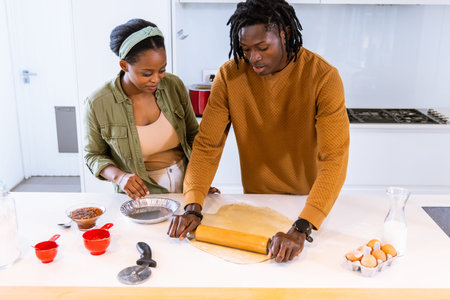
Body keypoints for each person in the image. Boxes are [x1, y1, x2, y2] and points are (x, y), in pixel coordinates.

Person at [167, 0, 350, 263]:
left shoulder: (323, 77)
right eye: (246, 49)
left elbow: (334, 159)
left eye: (262, 48)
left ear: (285, 34)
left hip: (307, 203)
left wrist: (303, 226)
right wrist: (193, 206)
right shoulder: (230, 76)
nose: (254, 58)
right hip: (255, 200)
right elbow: (208, 146)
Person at [84, 19, 203, 200]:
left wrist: (201, 182)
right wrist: (120, 177)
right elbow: (93, 155)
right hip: (139, 194)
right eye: (147, 73)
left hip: (186, 184)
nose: (156, 79)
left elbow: (194, 136)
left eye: (162, 70)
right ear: (124, 66)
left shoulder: (174, 86)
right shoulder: (98, 103)